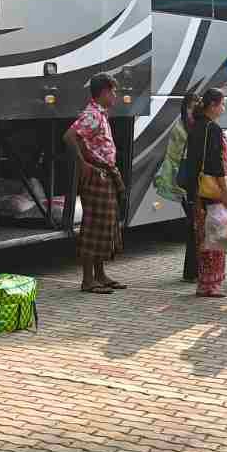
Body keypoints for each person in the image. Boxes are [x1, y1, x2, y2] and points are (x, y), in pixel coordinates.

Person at [66, 73, 126, 294]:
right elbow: (70, 136)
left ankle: (100, 275)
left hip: (105, 173)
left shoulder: (99, 114)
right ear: (103, 92)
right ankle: (88, 280)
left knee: (104, 226)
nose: (115, 96)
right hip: (97, 175)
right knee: (94, 227)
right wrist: (83, 164)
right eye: (113, 91)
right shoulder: (92, 115)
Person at [185, 88, 227, 298]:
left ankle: (203, 283)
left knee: (203, 237)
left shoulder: (195, 125)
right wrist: (226, 192)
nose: (223, 108)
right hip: (212, 190)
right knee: (216, 237)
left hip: (198, 190)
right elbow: (216, 164)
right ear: (213, 105)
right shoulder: (212, 128)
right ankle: (212, 284)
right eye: (222, 104)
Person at [176, 93, 201, 283]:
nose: (193, 111)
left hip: (189, 182)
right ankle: (192, 271)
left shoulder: (195, 128)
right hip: (189, 183)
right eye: (190, 107)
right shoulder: (186, 129)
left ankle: (192, 270)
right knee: (193, 226)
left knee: (193, 226)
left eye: (196, 106)